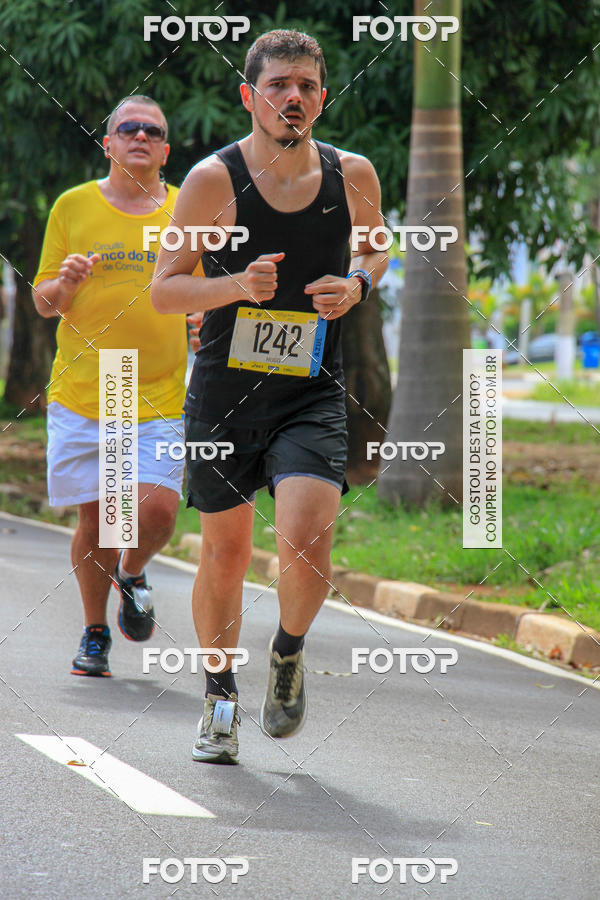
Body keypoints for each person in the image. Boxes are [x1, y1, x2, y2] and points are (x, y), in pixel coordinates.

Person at [151, 29, 387, 764]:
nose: (294, 97)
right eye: (279, 85)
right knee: (225, 553)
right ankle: (219, 696)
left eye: (308, 86)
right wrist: (233, 286)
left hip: (310, 389)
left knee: (308, 540)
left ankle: (286, 653)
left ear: (322, 97)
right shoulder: (212, 181)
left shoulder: (351, 173)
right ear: (250, 96)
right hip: (224, 394)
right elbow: (164, 290)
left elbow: (376, 243)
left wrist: (357, 285)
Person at [32, 95, 201, 677]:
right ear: (108, 143)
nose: (140, 137)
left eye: (152, 131)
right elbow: (43, 302)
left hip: (157, 391)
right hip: (87, 390)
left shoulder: (186, 211)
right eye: (128, 129)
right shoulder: (72, 207)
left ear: (165, 150)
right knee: (100, 517)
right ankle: (95, 630)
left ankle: (132, 573)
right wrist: (67, 283)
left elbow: (198, 297)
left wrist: (203, 321)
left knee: (153, 514)